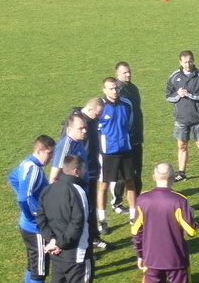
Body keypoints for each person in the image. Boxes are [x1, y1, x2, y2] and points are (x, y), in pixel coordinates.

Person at [36, 154, 107, 283]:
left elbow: (40, 217)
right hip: (77, 253)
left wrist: (51, 241)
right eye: (82, 169)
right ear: (76, 170)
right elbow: (78, 224)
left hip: (56, 253)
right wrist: (60, 242)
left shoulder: (48, 189)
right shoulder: (78, 191)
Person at [131, 162, 199, 283]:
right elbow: (192, 230)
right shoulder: (180, 201)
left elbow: (136, 231)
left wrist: (140, 254)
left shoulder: (143, 200)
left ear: (153, 177)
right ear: (172, 178)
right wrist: (192, 215)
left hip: (152, 260)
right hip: (176, 260)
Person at [8, 134, 55, 283]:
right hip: (35, 229)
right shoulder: (35, 170)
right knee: (39, 272)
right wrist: (34, 215)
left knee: (31, 265)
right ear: (39, 150)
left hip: (25, 227)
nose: (50, 158)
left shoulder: (25, 163)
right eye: (49, 154)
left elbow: (11, 177)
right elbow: (23, 198)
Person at [59, 99, 109, 250]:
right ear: (90, 109)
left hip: (91, 171)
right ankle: (81, 243)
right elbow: (64, 151)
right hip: (77, 174)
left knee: (90, 206)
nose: (99, 117)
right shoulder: (75, 123)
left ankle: (93, 238)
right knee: (79, 209)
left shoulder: (91, 121)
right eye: (98, 114)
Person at [166, 50, 199, 184]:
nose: (188, 65)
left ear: (193, 60)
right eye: (185, 62)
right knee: (182, 145)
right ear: (180, 62)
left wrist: (189, 95)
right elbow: (168, 96)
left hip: (198, 118)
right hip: (181, 119)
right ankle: (181, 173)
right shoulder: (174, 77)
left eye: (190, 61)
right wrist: (177, 95)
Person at [97, 77, 136, 234]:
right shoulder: (101, 107)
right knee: (103, 186)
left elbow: (130, 124)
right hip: (107, 153)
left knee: (130, 182)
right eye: (111, 88)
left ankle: (134, 216)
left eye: (116, 88)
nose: (114, 91)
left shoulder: (127, 104)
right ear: (104, 90)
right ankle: (102, 220)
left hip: (125, 150)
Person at [111, 62, 144, 212]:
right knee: (121, 175)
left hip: (136, 138)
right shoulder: (117, 92)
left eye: (129, 72)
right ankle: (116, 202)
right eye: (124, 73)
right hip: (124, 140)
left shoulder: (133, 88)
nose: (128, 75)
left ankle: (136, 201)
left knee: (137, 172)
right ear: (117, 74)